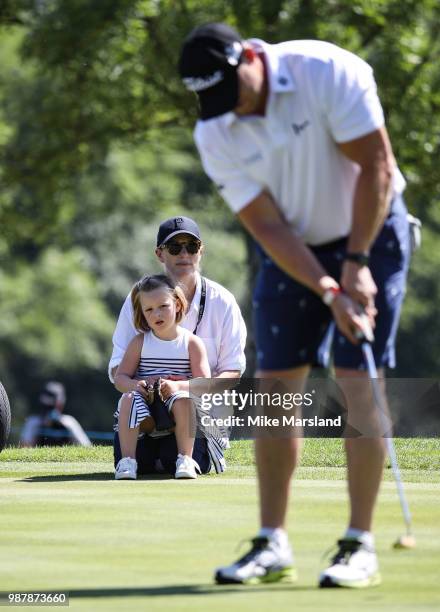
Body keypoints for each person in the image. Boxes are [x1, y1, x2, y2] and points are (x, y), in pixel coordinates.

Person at [179, 23, 411, 587]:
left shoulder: (326, 71)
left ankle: (359, 544)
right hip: (296, 245)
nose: (230, 110)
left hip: (372, 227)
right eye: (213, 102)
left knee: (358, 375)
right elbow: (266, 225)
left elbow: (375, 168)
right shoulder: (215, 129)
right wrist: (327, 288)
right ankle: (272, 543)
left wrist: (354, 267)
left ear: (249, 58)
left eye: (234, 92)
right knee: (277, 381)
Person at [109, 215, 247, 476]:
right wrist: (143, 385)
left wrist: (181, 387)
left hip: (199, 413)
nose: (184, 253)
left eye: (191, 246)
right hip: (146, 414)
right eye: (174, 248)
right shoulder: (138, 300)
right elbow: (118, 369)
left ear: (201, 250)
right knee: (142, 465)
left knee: (176, 460)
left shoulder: (223, 302)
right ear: (160, 254)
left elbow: (232, 375)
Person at [114, 274, 211, 479]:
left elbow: (205, 385)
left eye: (163, 306)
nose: (156, 313)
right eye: (149, 309)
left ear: (176, 304)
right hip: (147, 412)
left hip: (177, 411)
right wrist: (135, 384)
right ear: (142, 313)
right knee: (129, 399)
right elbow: (121, 378)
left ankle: (185, 458)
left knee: (184, 400)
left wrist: (178, 387)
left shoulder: (191, 343)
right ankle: (128, 461)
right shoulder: (139, 342)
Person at [20, 381, 91, 447]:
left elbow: (86, 447)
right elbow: (24, 449)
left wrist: (63, 427)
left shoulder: (69, 423)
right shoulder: (33, 422)